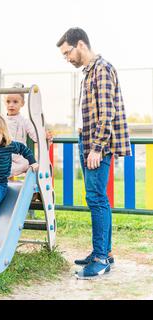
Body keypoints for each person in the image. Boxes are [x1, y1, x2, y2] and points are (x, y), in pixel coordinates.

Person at [56, 27, 131, 279]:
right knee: (97, 198)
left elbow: (106, 113)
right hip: (85, 139)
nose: (67, 58)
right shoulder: (89, 72)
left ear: (80, 45)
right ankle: (104, 252)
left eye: (68, 53)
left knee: (96, 198)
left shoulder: (102, 68)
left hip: (96, 144)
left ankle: (100, 259)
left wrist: (97, 148)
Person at [4, 82, 52, 177]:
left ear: (22, 103)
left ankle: (4, 174)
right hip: (5, 154)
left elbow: (35, 136)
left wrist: (44, 135)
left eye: (15, 102)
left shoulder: (24, 121)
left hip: (19, 156)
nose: (11, 105)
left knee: (27, 164)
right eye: (8, 101)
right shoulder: (2, 120)